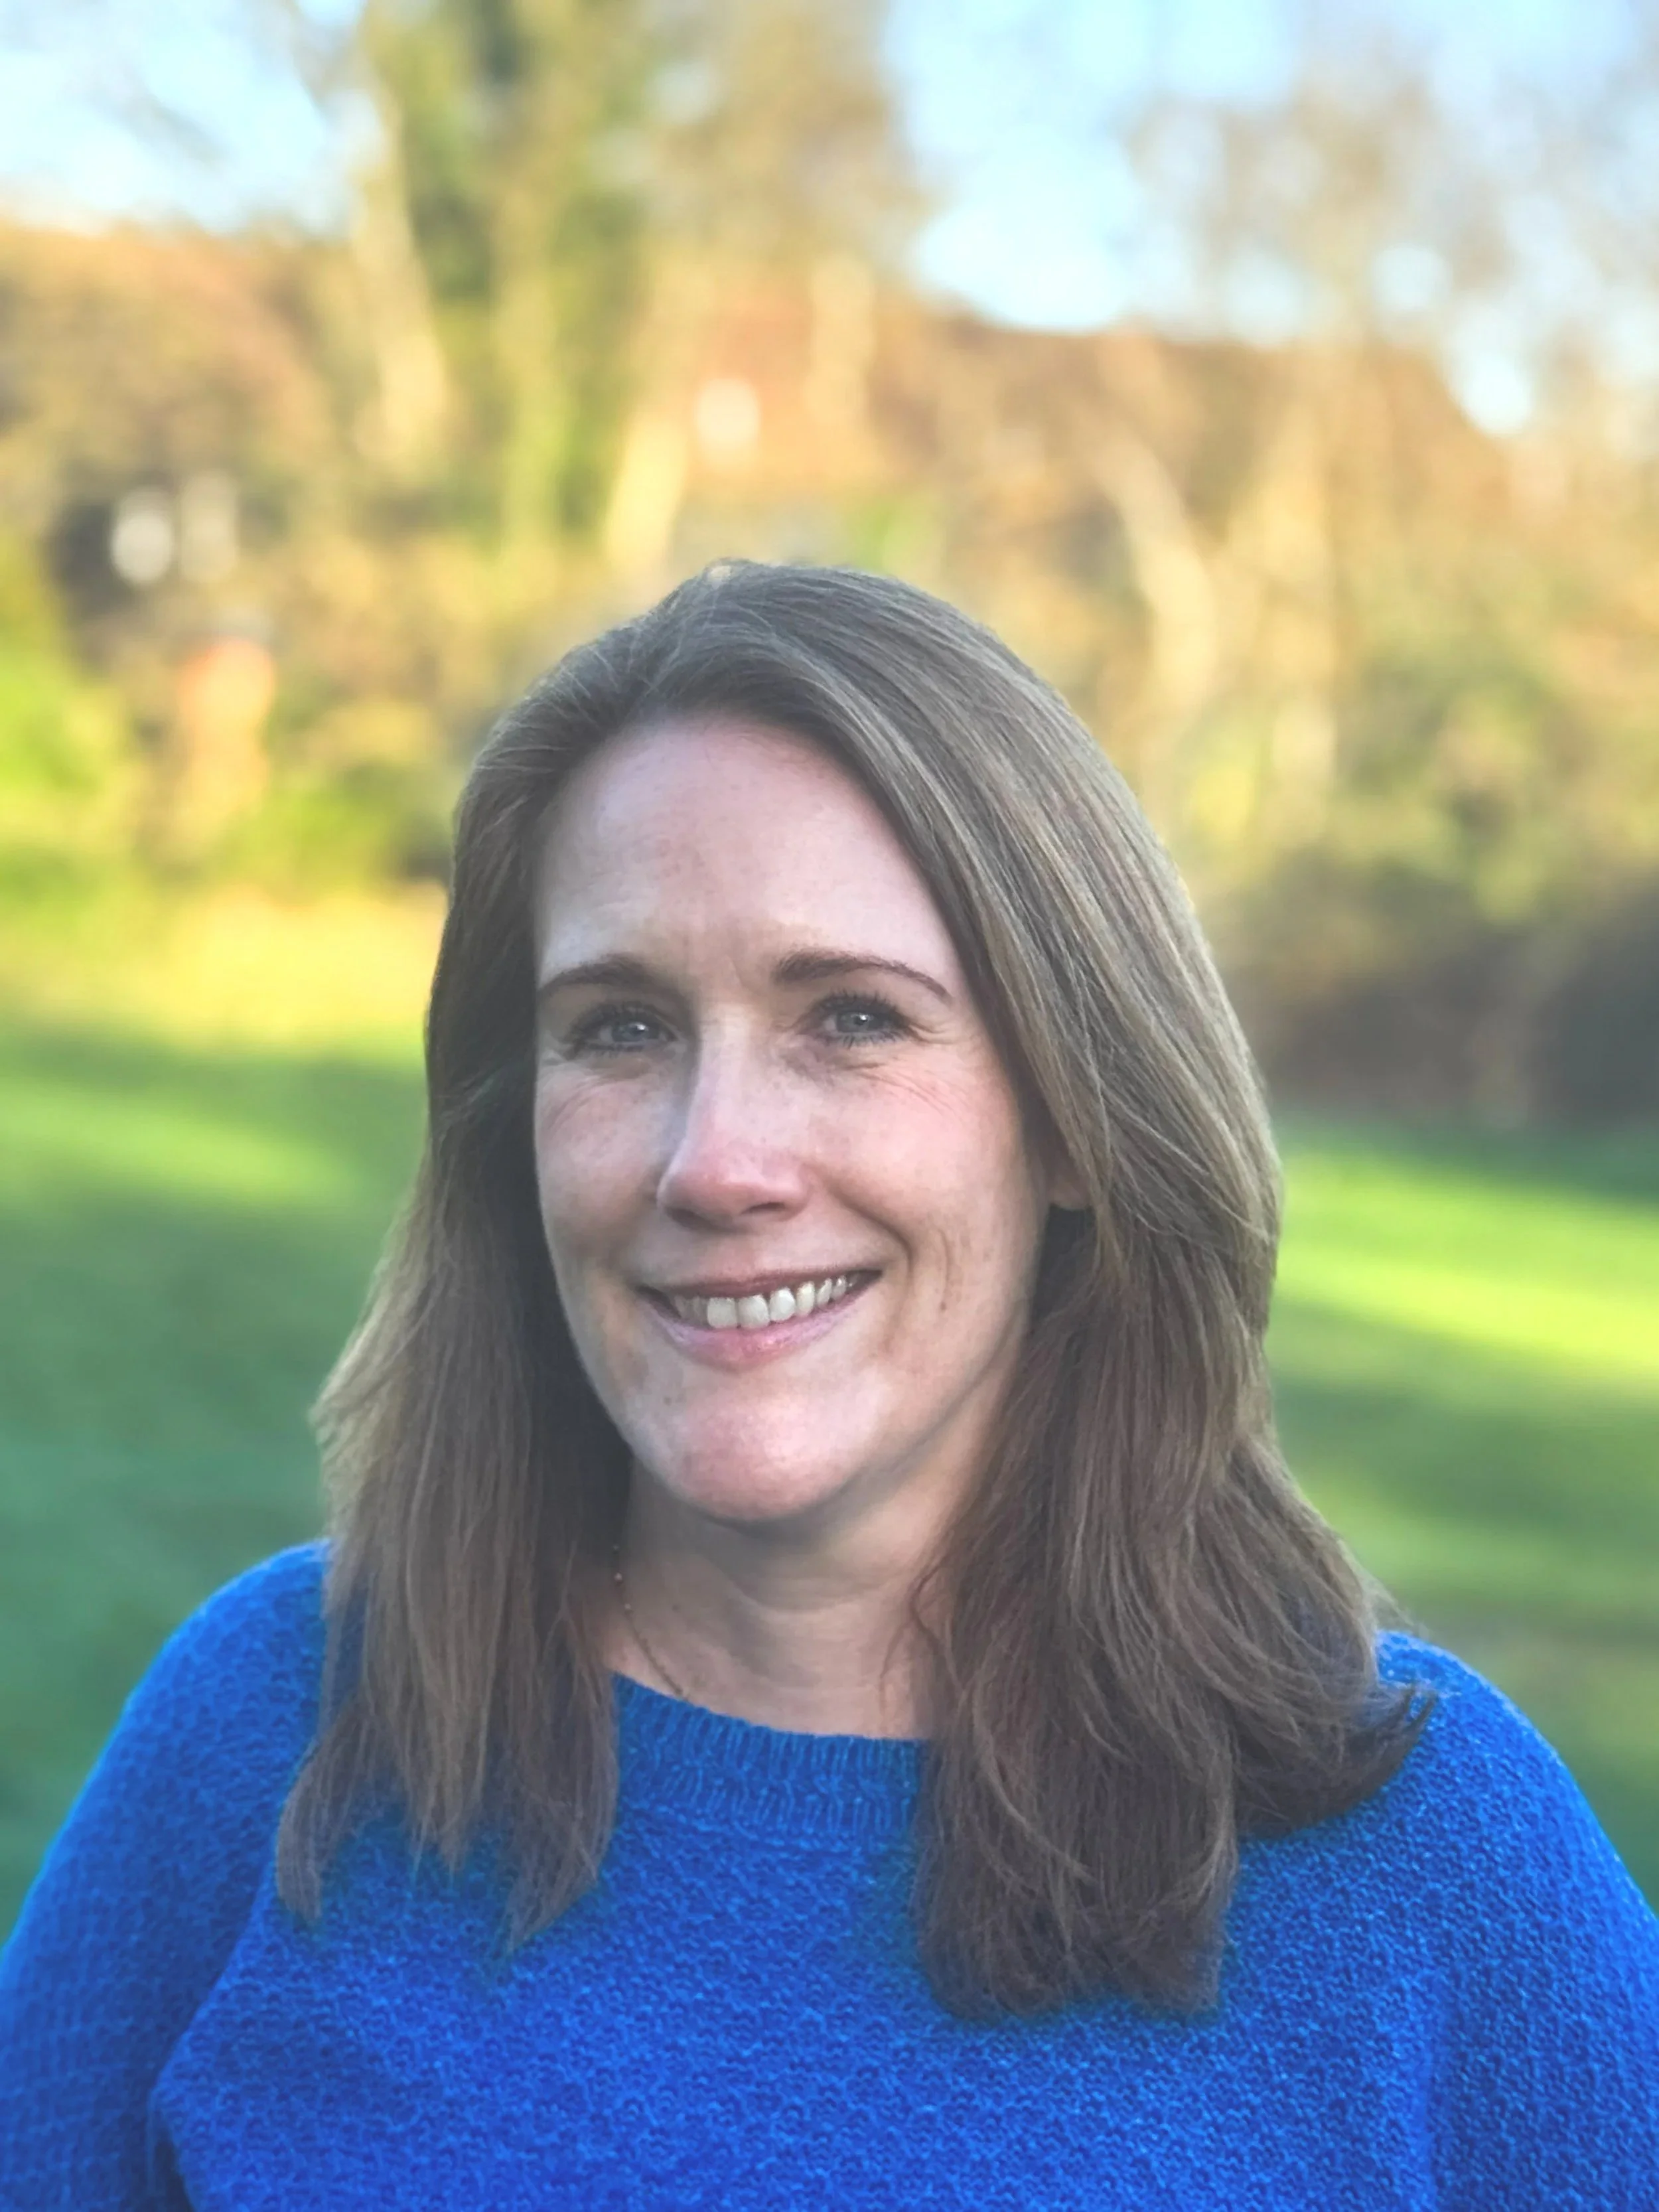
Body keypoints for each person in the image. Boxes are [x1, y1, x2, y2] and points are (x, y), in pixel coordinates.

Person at [1, 561, 1654, 2208]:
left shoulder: (1423, 1855)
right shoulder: (276, 1733)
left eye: (852, 1018)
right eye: (621, 1028)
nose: (714, 1161)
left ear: (1075, 1119)